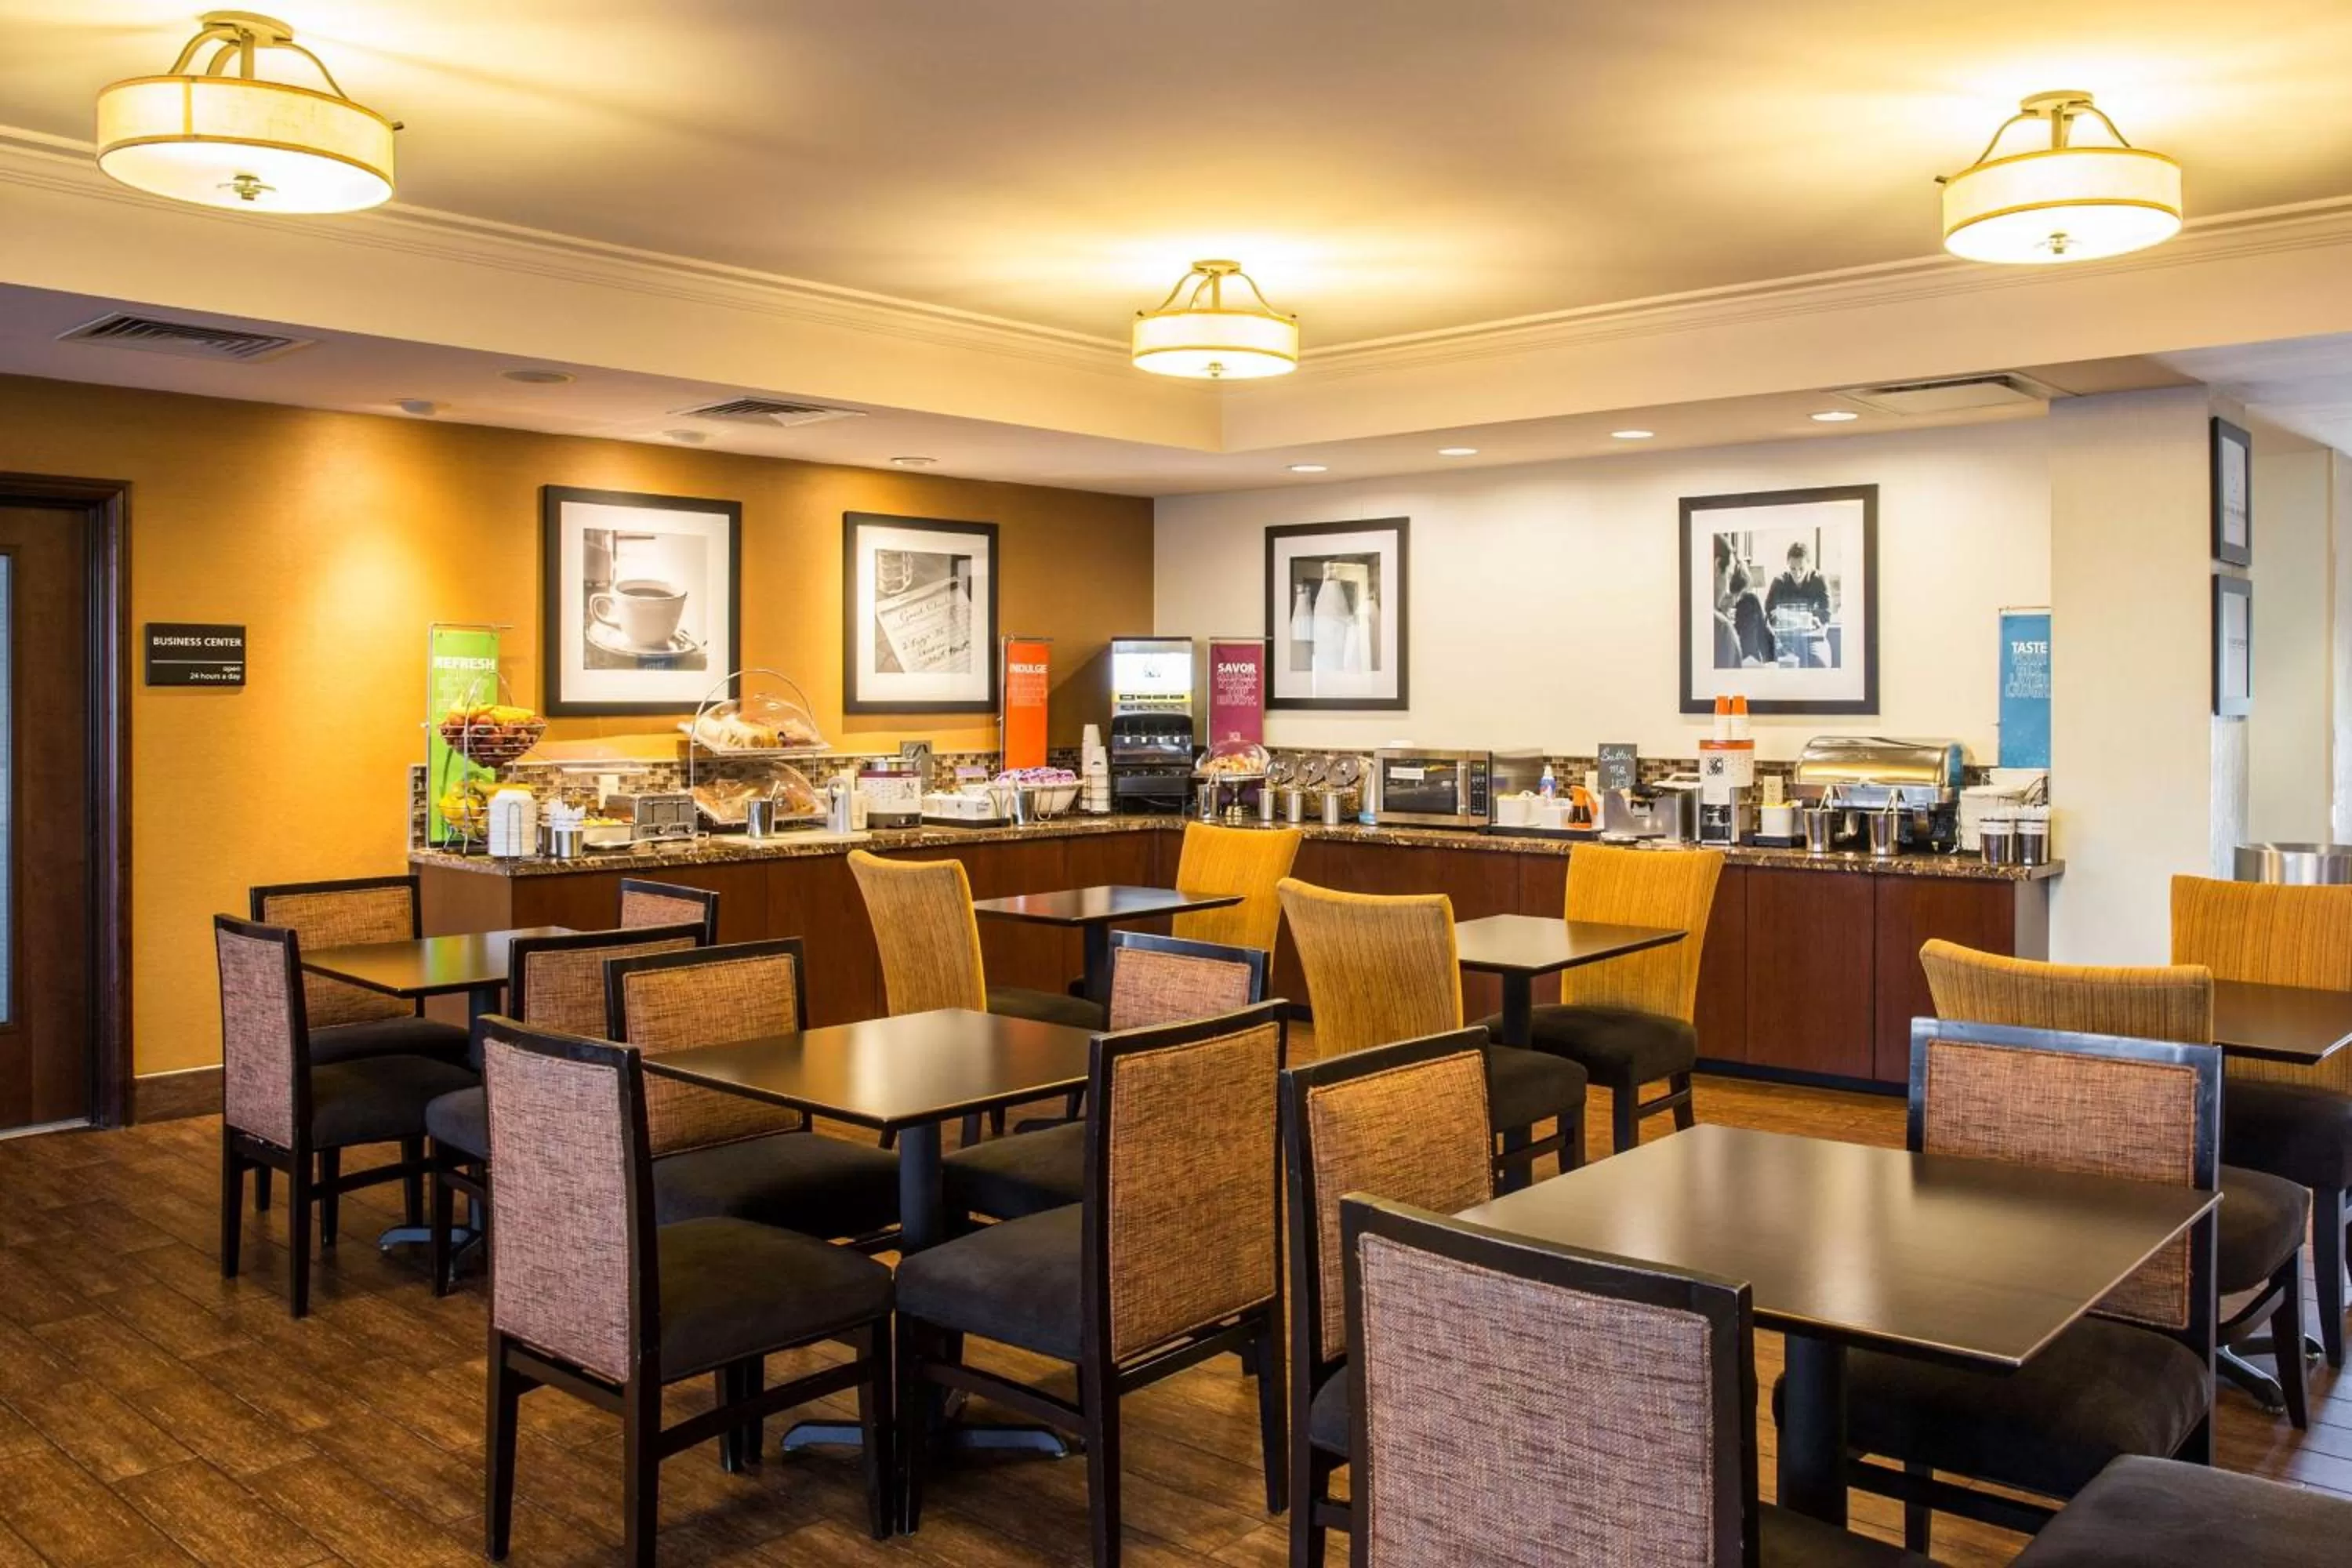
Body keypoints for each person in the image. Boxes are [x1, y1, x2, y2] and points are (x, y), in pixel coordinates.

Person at [1766, 541, 1832, 628]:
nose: (1797, 574)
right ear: (1788, 564)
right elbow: (1769, 613)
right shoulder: (1779, 582)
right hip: (1786, 634)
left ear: (1809, 565)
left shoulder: (1819, 581)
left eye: (1801, 569)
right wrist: (1806, 618)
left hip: (1812, 634)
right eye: (1793, 569)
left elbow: (1826, 614)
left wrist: (1787, 616)